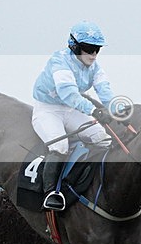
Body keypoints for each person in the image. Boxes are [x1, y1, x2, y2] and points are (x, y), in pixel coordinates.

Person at [31, 21, 124, 209]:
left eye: (97, 49)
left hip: (71, 111)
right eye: (89, 49)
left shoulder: (95, 67)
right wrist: (94, 110)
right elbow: (69, 94)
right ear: (74, 46)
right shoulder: (59, 61)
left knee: (103, 139)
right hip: (48, 110)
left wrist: (119, 110)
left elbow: (104, 91)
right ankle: (50, 194)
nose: (94, 54)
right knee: (59, 146)